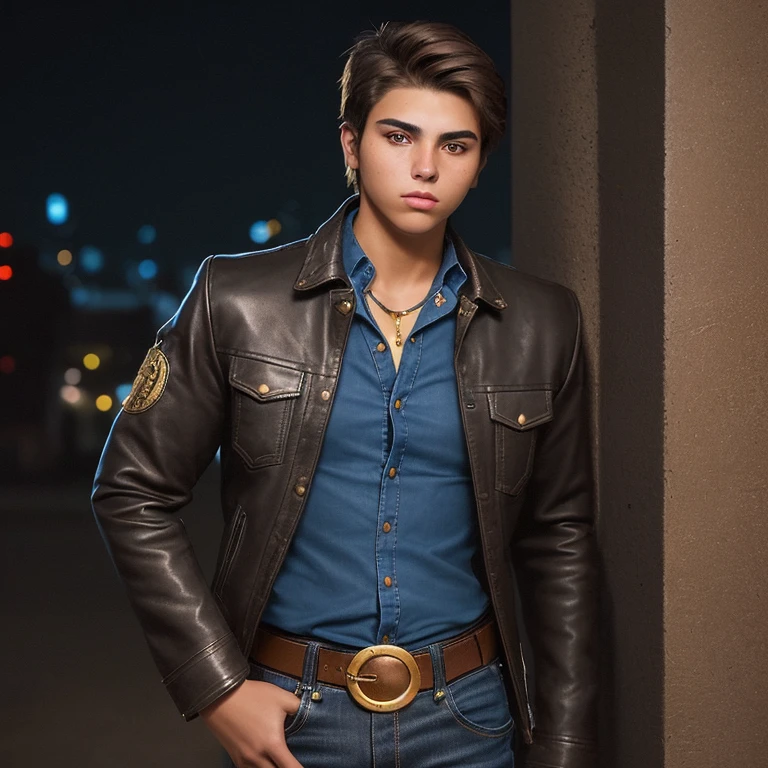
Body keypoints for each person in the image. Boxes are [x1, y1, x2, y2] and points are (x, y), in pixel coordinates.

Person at [92, 20, 598, 768]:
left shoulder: (541, 321)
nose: (425, 166)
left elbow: (559, 540)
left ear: (479, 162)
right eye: (399, 136)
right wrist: (219, 688)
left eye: (455, 145)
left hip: (469, 720)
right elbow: (131, 490)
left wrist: (563, 748)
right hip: (294, 720)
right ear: (350, 145)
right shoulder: (236, 300)